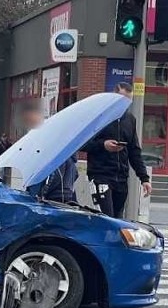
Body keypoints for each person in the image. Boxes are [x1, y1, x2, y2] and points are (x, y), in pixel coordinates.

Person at [83, 82, 152, 218]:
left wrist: (144, 178)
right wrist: (103, 145)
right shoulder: (98, 116)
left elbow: (134, 151)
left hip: (121, 177)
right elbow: (83, 143)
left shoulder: (130, 120)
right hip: (100, 174)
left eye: (128, 101)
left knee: (117, 218)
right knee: (106, 217)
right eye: (122, 99)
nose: (125, 104)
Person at [21, 105, 78, 203]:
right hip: (65, 196)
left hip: (54, 199)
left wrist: (39, 194)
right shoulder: (67, 151)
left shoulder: (53, 152)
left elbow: (49, 176)